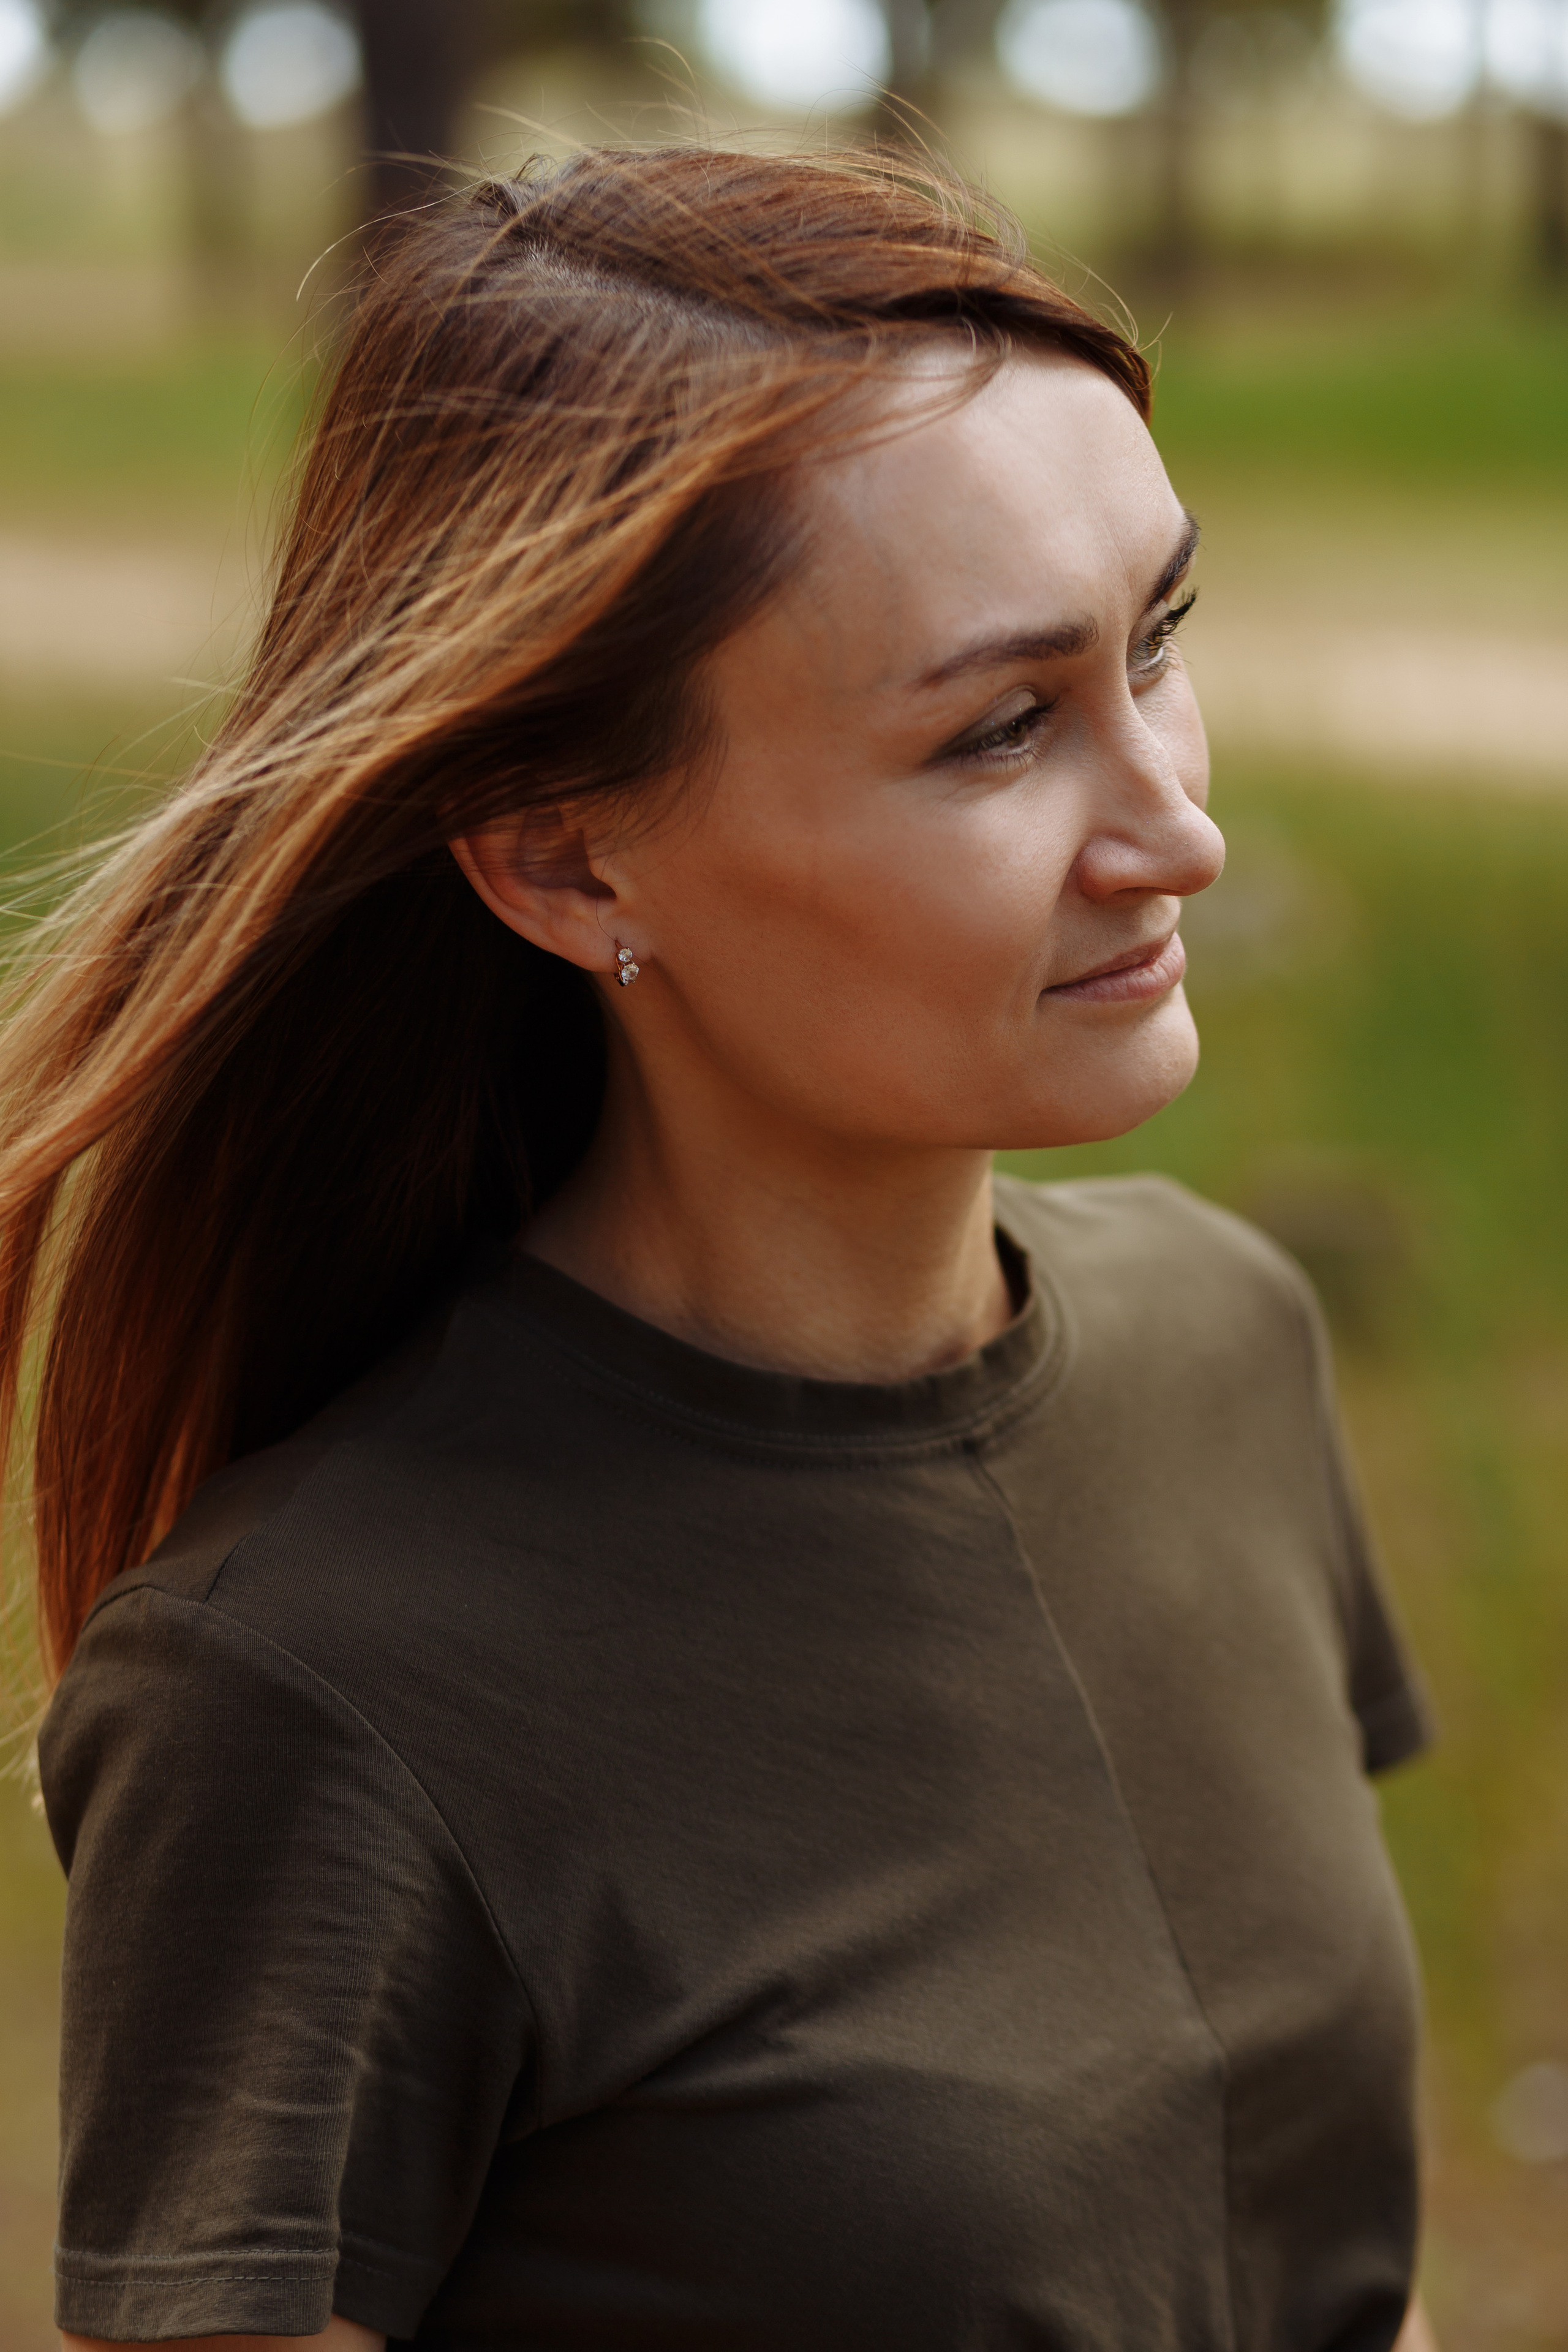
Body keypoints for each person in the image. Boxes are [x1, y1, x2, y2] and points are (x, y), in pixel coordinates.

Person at [1, 148, 1436, 2351]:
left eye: (1158, 642)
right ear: (566, 863)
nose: (1182, 825)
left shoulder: (1219, 1340)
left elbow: (1324, 2261)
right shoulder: (303, 1691)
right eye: (1001, 727)